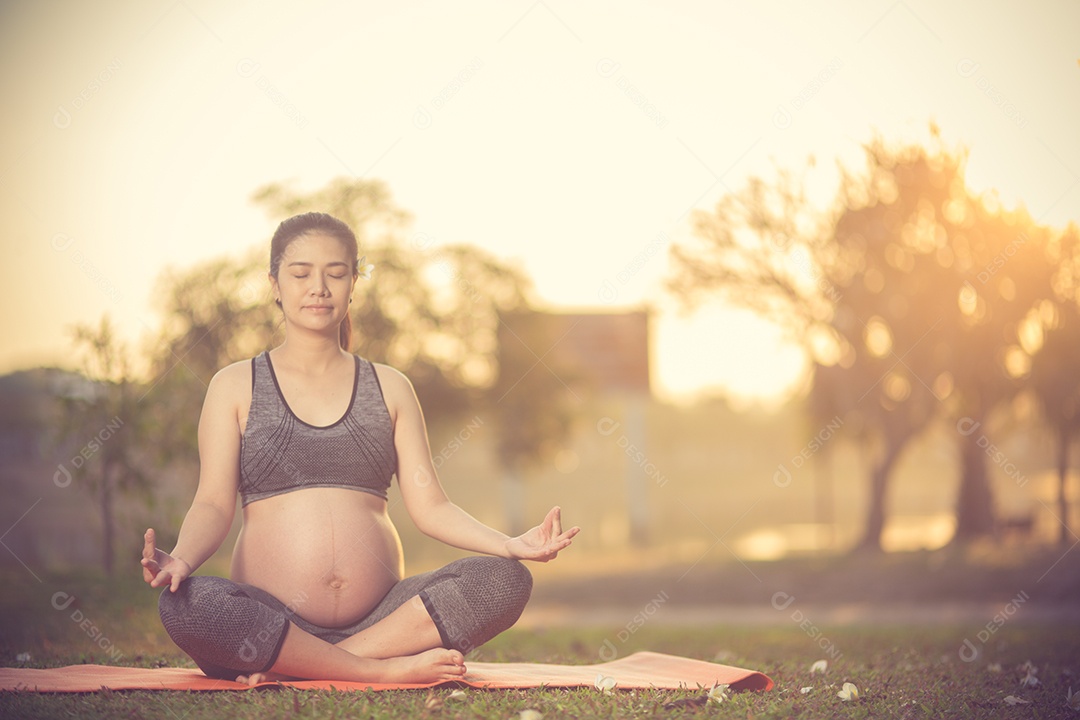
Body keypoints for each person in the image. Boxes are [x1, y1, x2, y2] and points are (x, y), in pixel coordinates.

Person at [141, 211, 580, 685]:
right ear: (274, 284)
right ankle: (374, 671)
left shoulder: (390, 387)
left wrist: (509, 544)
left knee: (506, 579)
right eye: (301, 272)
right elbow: (211, 502)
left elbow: (431, 506)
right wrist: (183, 558)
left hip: (384, 621)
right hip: (272, 626)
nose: (319, 287)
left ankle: (319, 667)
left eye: (335, 273)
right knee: (186, 604)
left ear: (353, 284)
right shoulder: (234, 385)